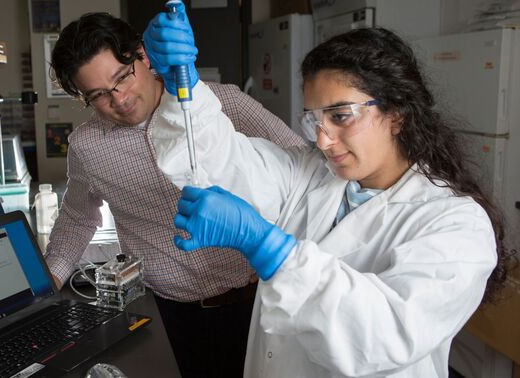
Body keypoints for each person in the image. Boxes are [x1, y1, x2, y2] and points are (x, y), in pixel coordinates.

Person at [150, 27, 512, 377]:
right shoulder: (313, 174)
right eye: (314, 120)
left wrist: (269, 249)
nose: (323, 141)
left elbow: (382, 335)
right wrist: (184, 87)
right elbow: (223, 160)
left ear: (396, 114)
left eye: (340, 116)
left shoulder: (456, 223)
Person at [46, 10, 307, 377]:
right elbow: (77, 219)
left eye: (122, 77)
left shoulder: (222, 104)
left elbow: (304, 174)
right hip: (170, 315)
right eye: (99, 95)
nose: (119, 99)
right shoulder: (87, 147)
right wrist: (43, 287)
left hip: (259, 302)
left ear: (143, 55)